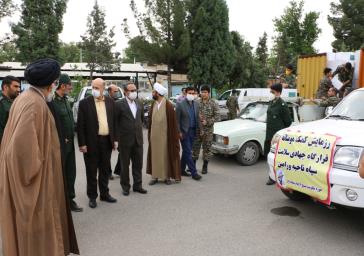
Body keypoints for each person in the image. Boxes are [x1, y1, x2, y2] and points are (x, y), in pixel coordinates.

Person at [0, 58, 79, 255]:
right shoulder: (34, 104)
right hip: (37, 187)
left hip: (40, 181)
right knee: (38, 240)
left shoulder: (26, 98)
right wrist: (37, 181)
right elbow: (19, 151)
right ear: (52, 83)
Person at [77, 78, 118, 208]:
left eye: (97, 88)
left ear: (103, 88)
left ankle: (104, 194)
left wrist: (115, 139)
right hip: (91, 142)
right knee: (91, 170)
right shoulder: (84, 103)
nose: (94, 90)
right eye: (93, 87)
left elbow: (114, 123)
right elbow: (80, 126)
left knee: (105, 170)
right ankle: (92, 196)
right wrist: (82, 144)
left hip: (106, 141)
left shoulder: (111, 102)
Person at [53, 74, 83, 212]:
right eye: (69, 85)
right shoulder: (52, 102)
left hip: (70, 144)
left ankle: (70, 200)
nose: (71, 87)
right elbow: (51, 125)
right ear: (63, 86)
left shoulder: (66, 100)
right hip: (60, 145)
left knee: (71, 173)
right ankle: (58, 203)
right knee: (59, 174)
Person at [116, 82, 147, 195]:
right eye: (132, 90)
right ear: (125, 92)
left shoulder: (139, 103)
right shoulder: (119, 104)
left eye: (135, 90)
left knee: (138, 164)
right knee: (125, 165)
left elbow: (141, 119)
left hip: (138, 139)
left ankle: (137, 186)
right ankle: (125, 187)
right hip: (124, 140)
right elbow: (115, 123)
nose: (134, 92)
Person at [147, 82, 181, 185]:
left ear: (157, 93)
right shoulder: (153, 104)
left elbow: (173, 123)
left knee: (165, 155)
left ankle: (166, 177)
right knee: (155, 156)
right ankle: (155, 176)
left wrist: (174, 136)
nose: (152, 93)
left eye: (154, 92)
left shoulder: (168, 105)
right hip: (154, 137)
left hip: (165, 136)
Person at [265, 83, 292, 185]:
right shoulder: (271, 102)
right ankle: (272, 176)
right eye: (270, 91)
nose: (271, 93)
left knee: (279, 159)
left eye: (273, 92)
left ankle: (279, 178)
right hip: (269, 134)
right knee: (270, 157)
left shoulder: (282, 105)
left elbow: (288, 122)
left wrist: (279, 131)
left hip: (277, 137)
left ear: (279, 93)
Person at [192, 85, 220, 174]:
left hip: (208, 131)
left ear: (208, 93)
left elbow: (218, 117)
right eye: (202, 92)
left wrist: (207, 121)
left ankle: (205, 166)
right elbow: (192, 113)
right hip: (197, 130)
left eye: (205, 92)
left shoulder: (213, 103)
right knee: (195, 148)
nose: (203, 94)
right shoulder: (196, 102)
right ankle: (192, 166)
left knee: (207, 149)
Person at [176, 87, 202, 181]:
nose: (192, 95)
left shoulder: (196, 104)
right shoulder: (180, 104)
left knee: (186, 152)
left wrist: (200, 129)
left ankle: (181, 169)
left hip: (193, 131)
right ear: (186, 93)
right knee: (188, 152)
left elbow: (197, 118)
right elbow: (177, 121)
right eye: (190, 93)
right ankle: (194, 173)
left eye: (193, 93)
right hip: (184, 132)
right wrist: (179, 132)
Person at [0, 75, 20, 143]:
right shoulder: (1, 103)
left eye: (19, 87)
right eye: (15, 86)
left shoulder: (14, 100)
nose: (18, 90)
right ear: (6, 87)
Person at [107, 84, 121, 178]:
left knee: (123, 152)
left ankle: (119, 170)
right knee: (107, 154)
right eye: (114, 91)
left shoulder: (119, 102)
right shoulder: (105, 102)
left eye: (117, 91)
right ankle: (108, 173)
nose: (116, 93)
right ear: (109, 92)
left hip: (119, 131)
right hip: (109, 131)